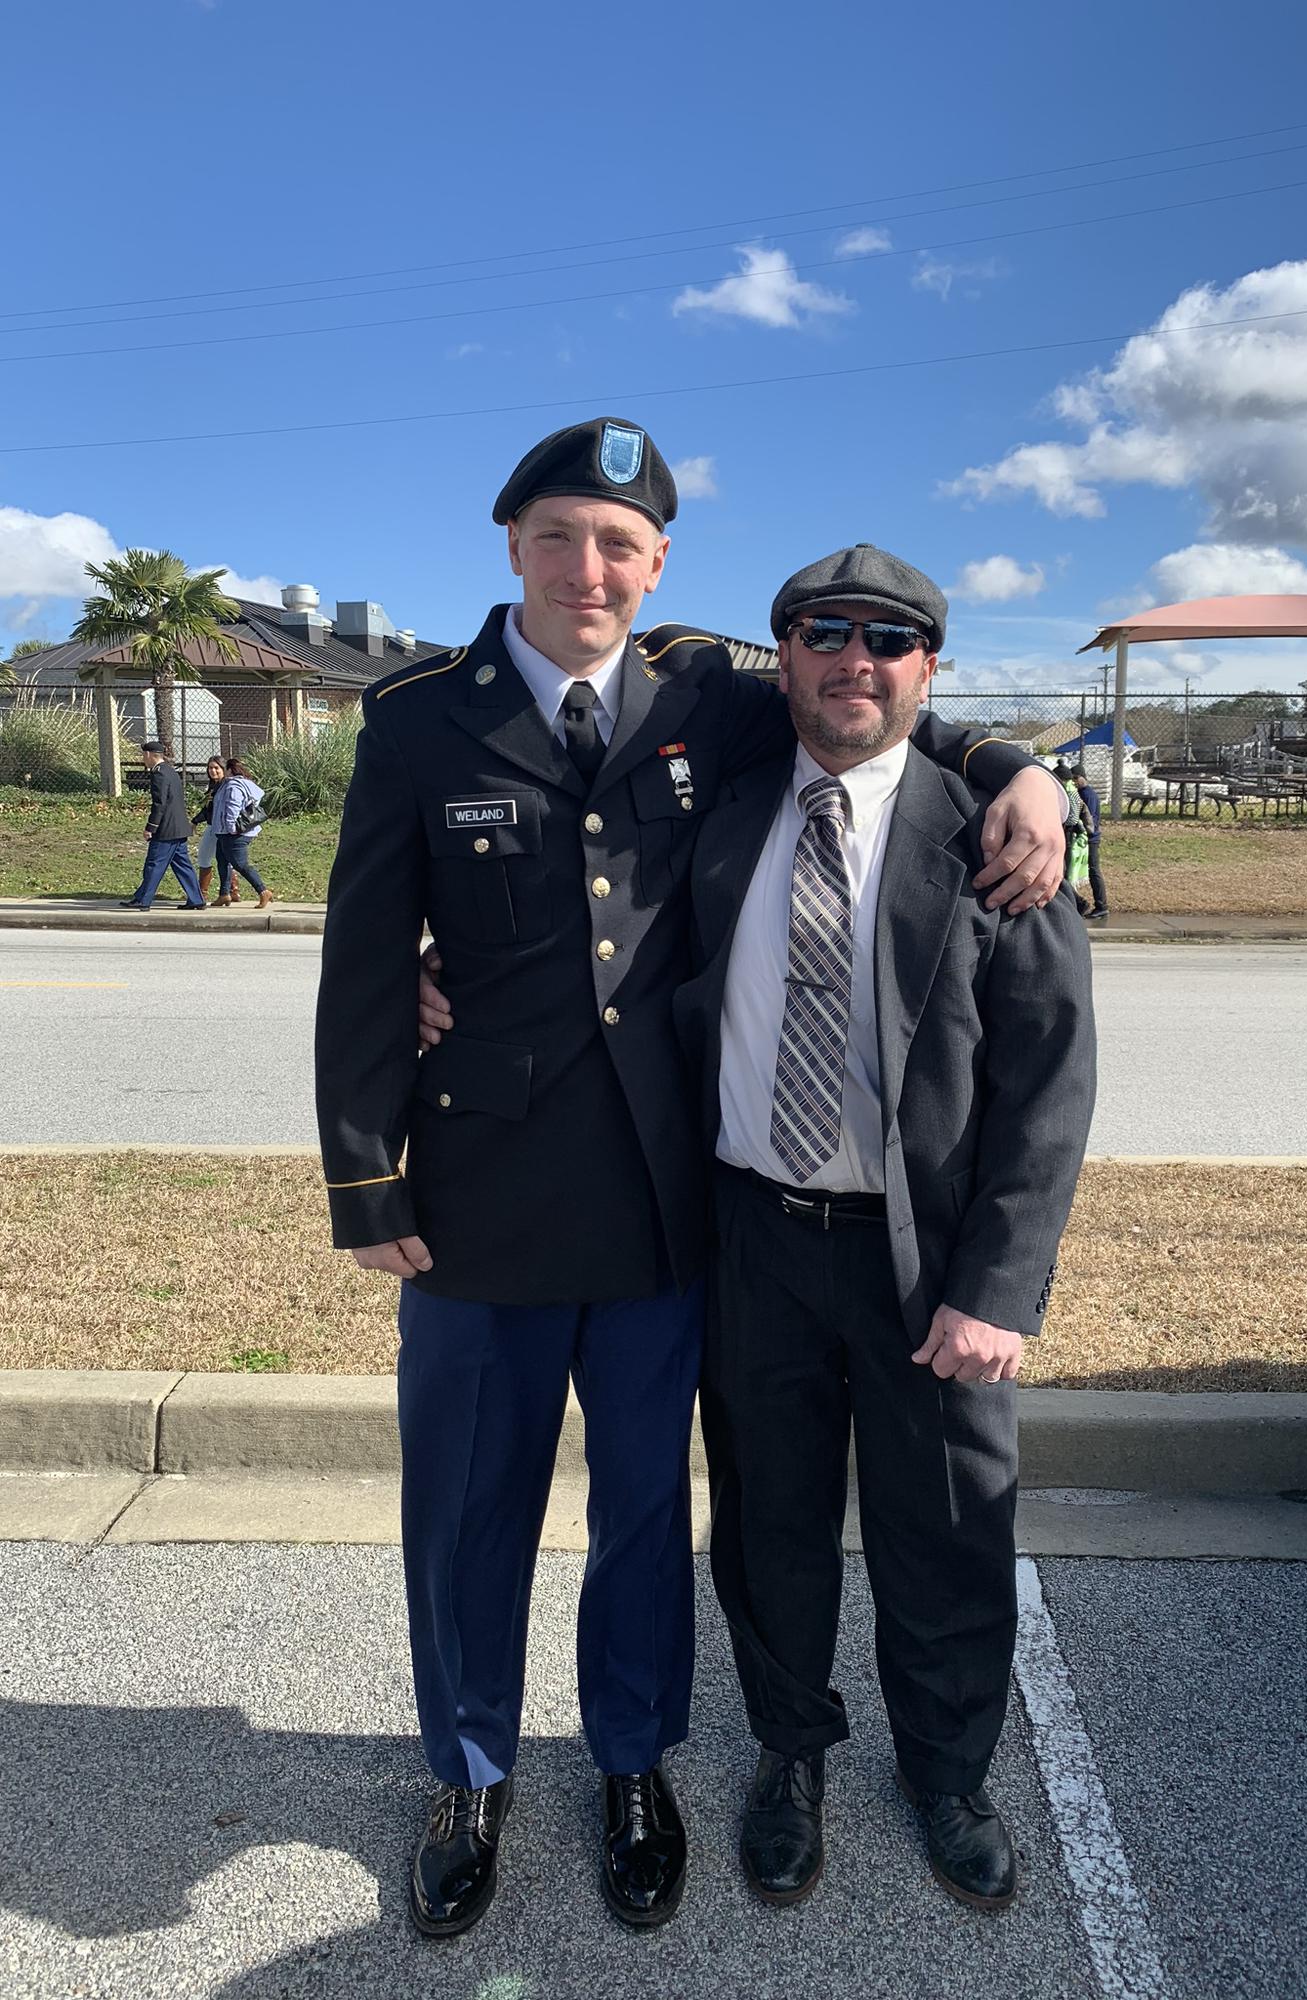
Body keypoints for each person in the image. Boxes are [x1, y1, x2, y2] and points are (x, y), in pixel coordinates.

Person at [315, 416, 1070, 1941]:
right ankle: (466, 1774)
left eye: (620, 544)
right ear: (510, 543)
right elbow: (358, 957)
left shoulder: (710, 698)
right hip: (478, 1199)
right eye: (558, 536)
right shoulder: (413, 721)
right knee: (469, 1514)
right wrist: (365, 1175)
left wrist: (1027, 766)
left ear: (658, 565)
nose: (588, 568)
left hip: (665, 1209)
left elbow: (886, 713)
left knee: (647, 1516)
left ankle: (634, 1766)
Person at [674, 548, 1096, 1913]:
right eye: (825, 633)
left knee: (949, 1529)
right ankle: (789, 1753)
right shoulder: (721, 813)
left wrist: (1001, 1292)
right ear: (783, 653)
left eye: (892, 640)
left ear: (930, 668)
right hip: (754, 1241)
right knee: (769, 1524)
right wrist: (440, 961)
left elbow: (1048, 1084)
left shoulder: (996, 832)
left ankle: (950, 1772)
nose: (857, 659)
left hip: (931, 1265)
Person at [117, 741, 207, 912]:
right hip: (179, 828)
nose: (143, 758)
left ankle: (143, 900)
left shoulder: (158, 774)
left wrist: (150, 827)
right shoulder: (170, 771)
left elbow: (160, 804)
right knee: (183, 865)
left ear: (149, 755)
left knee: (154, 864)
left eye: (144, 755)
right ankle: (196, 899)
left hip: (166, 830)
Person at [211, 757, 273, 909]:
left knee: (240, 864)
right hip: (224, 832)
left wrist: (231, 828)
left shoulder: (233, 786)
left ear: (229, 770)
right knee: (222, 861)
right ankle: (224, 894)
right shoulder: (241, 784)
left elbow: (233, 807)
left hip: (233, 833)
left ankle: (263, 891)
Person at [192, 756, 239, 904]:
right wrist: (195, 820)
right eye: (210, 768)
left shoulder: (225, 786)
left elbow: (210, 810)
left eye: (216, 768)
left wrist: (195, 820)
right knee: (224, 859)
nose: (213, 771)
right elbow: (208, 810)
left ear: (224, 769)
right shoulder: (215, 786)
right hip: (216, 826)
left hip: (219, 827)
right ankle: (232, 891)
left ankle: (204, 893)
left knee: (205, 857)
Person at [1071, 763, 1109, 920]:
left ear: (1082, 777)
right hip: (1087, 838)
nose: (1074, 782)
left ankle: (1102, 906)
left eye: (1075, 778)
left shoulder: (1088, 795)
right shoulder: (1082, 793)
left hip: (1091, 839)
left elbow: (1090, 820)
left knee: (1094, 871)